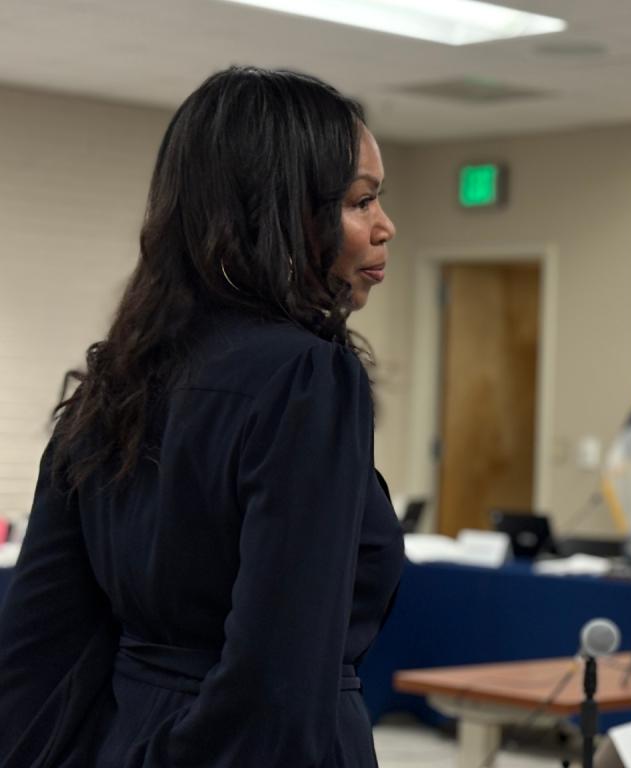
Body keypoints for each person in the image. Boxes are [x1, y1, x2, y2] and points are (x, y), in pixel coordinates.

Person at [0, 67, 404, 767]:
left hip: (121, 739)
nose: (384, 226)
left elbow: (36, 648)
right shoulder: (306, 378)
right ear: (283, 212)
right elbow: (277, 682)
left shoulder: (118, 375)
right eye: (361, 201)